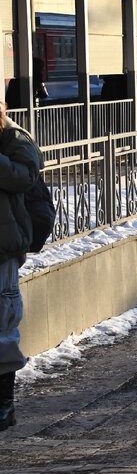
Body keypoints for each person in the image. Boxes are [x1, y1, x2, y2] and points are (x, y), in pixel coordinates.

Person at [0, 99, 42, 432]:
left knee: (3, 326)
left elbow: (26, 178)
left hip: (3, 247)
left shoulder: (15, 138)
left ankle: (4, 406)